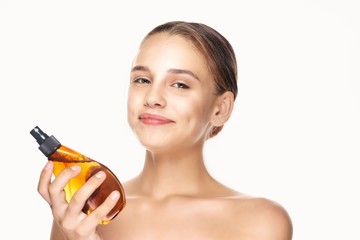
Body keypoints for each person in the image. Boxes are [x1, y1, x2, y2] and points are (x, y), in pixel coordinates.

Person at [38, 21, 293, 240]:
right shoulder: (84, 213)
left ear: (220, 108)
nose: (152, 97)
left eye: (180, 84)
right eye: (142, 80)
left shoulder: (260, 221)